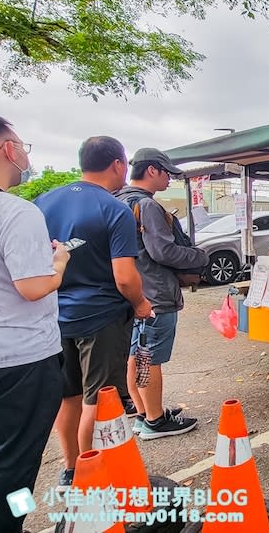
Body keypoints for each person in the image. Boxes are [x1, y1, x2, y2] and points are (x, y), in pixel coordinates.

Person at [35, 136, 152, 491]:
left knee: (68, 397)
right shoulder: (113, 209)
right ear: (117, 164)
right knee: (98, 401)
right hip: (100, 318)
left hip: (54, 316)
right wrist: (140, 304)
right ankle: (92, 475)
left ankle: (71, 469)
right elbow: (125, 277)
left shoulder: (41, 203)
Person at [0, 115, 70, 533]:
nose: (25, 154)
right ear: (8, 149)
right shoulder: (14, 210)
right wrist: (58, 264)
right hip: (20, 361)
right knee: (16, 465)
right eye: (23, 145)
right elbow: (32, 287)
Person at [115, 148, 207, 439]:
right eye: (166, 172)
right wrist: (199, 256)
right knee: (149, 357)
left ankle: (144, 414)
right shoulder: (148, 206)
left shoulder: (119, 201)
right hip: (155, 294)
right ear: (152, 170)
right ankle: (155, 420)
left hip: (132, 293)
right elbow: (162, 250)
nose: (169, 179)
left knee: (138, 354)